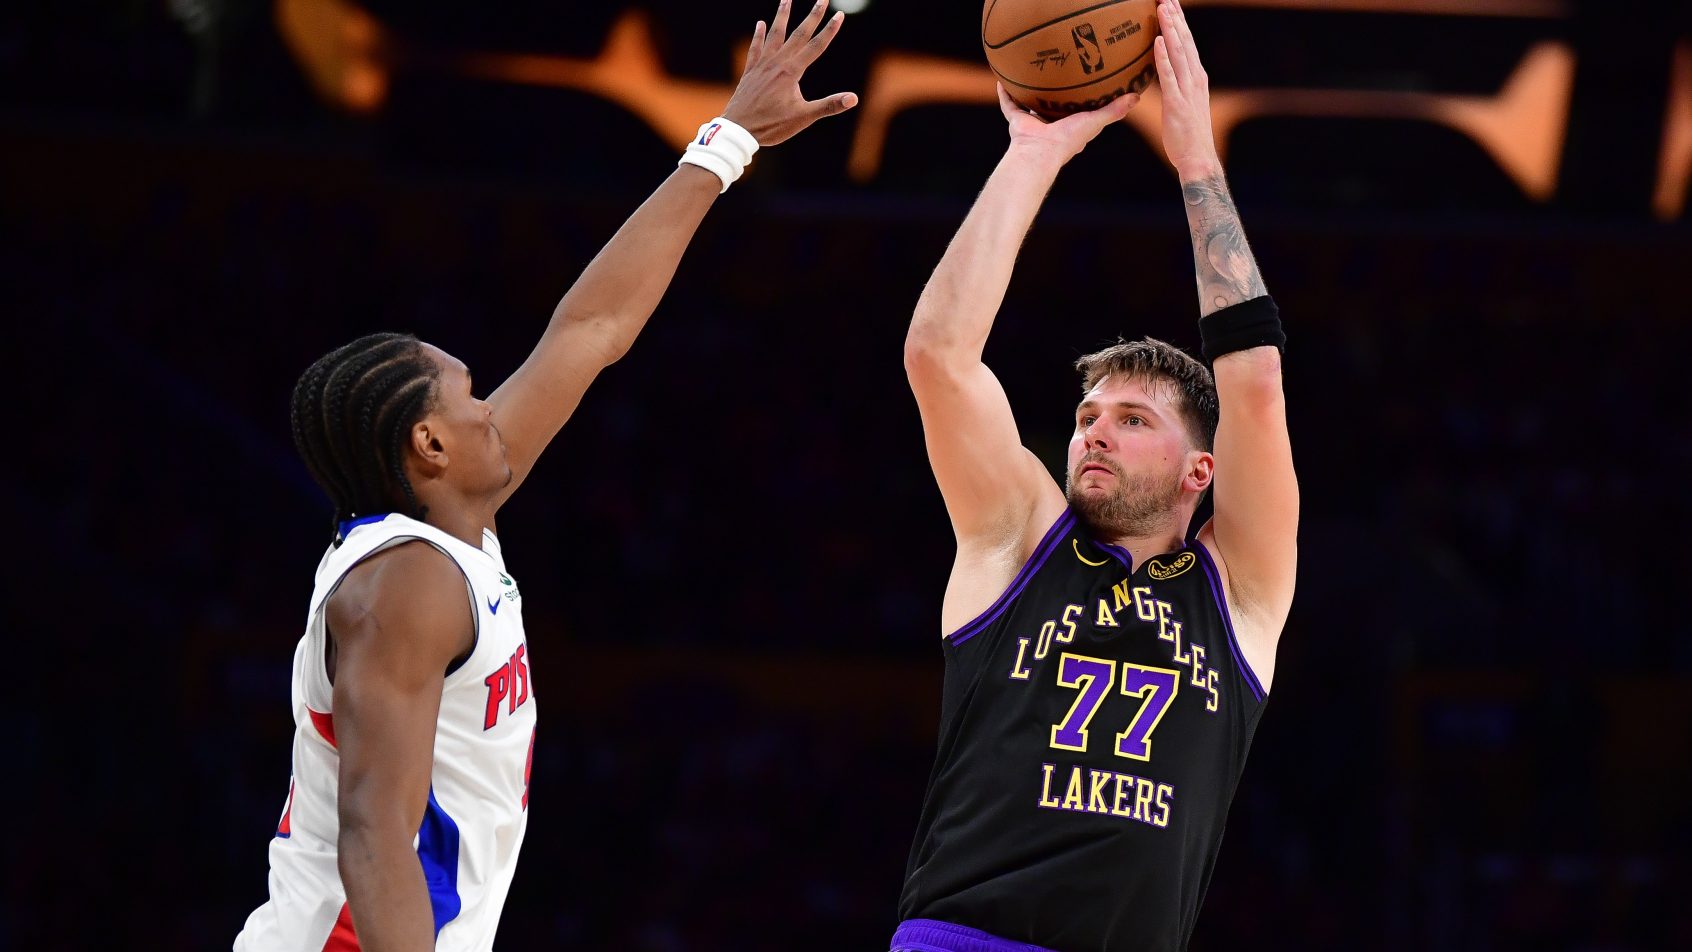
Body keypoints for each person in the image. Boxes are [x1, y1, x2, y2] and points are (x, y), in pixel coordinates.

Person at [233, 4, 857, 949]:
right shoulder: (402, 585)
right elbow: (373, 831)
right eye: (469, 393)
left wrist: (729, 142)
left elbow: (588, 332)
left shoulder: (439, 534)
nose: (493, 406)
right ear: (428, 448)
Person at [892, 1, 1297, 949]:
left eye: (1130, 420)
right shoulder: (1020, 538)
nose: (1092, 436)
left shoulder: (1239, 591)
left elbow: (1258, 385)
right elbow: (938, 356)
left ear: (1203, 468)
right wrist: (1031, 153)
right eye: (1084, 418)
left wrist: (1195, 155)